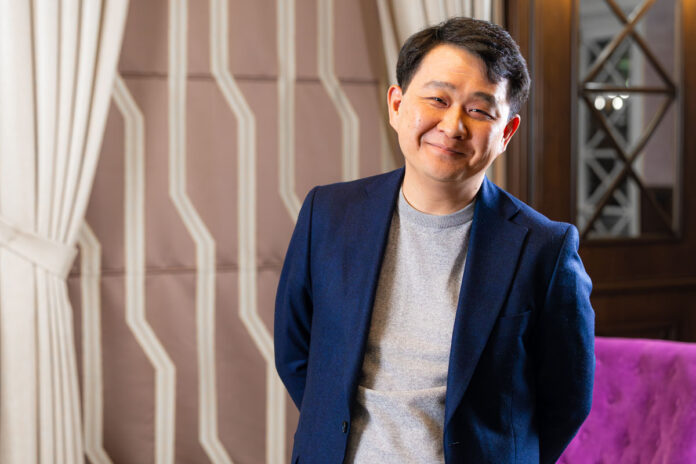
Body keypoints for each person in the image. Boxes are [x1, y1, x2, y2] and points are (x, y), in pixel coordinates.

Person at [274, 17, 594, 464]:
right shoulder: (327, 214)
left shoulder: (546, 249)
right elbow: (297, 355)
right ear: (397, 104)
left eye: (480, 110)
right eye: (438, 100)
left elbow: (567, 399)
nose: (453, 125)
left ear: (506, 132)